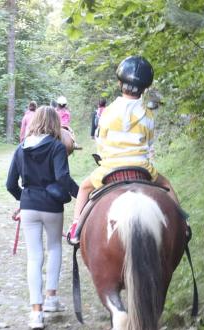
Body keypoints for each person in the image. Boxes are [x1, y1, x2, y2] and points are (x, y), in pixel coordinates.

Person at [67, 56, 179, 244]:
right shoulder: (148, 114)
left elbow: (101, 142)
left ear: (120, 83)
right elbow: (149, 143)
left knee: (85, 187)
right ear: (145, 88)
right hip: (141, 168)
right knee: (167, 185)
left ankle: (76, 228)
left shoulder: (108, 111)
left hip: (111, 167)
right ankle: (182, 225)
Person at [6, 106, 79, 330]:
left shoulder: (20, 149)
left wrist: (25, 199)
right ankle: (51, 299)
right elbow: (62, 177)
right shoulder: (57, 147)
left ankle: (36, 313)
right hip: (52, 206)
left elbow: (10, 184)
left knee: (34, 257)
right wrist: (82, 195)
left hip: (29, 206)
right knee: (55, 248)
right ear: (55, 123)